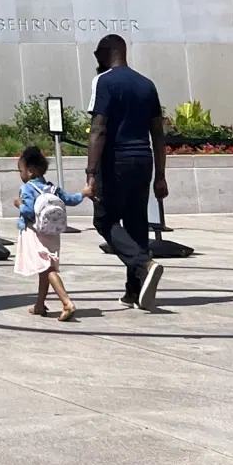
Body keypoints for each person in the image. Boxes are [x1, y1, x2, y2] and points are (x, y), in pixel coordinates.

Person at [85, 32, 168, 311]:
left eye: (98, 54)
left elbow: (99, 128)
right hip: (143, 160)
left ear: (109, 52)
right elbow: (158, 134)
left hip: (116, 161)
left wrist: (91, 172)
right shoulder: (147, 85)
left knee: (104, 221)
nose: (96, 60)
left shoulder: (104, 81)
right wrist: (160, 175)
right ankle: (134, 292)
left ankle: (144, 264)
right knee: (136, 225)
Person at [14, 145, 84, 320]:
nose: (20, 174)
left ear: (30, 171)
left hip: (34, 233)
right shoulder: (52, 188)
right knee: (44, 268)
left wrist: (18, 204)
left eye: (20, 170)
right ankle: (39, 305)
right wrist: (84, 193)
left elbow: (29, 211)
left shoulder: (28, 189)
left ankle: (66, 303)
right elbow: (70, 200)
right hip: (52, 233)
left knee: (47, 269)